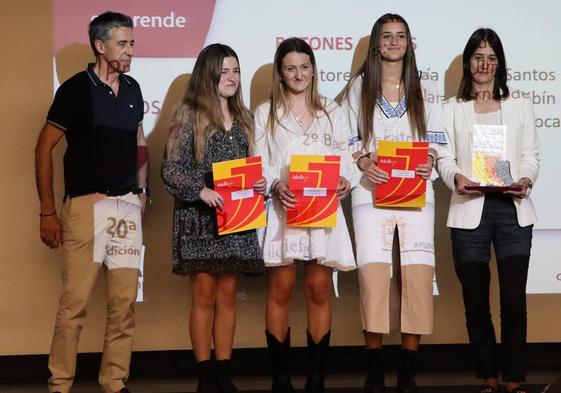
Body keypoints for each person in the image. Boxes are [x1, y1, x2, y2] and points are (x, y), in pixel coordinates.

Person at [35, 11, 149, 393]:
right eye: (123, 43)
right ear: (100, 46)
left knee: (123, 304)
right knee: (75, 304)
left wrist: (142, 191)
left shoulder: (133, 89)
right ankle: (60, 383)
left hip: (126, 209)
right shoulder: (73, 90)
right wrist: (48, 211)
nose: (130, 50)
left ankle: (114, 380)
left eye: (132, 43)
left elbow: (139, 143)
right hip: (86, 206)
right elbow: (43, 147)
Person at [341, 13, 446, 393]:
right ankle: (374, 368)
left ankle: (408, 368)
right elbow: (345, 137)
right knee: (374, 276)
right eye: (387, 36)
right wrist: (363, 161)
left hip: (416, 192)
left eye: (400, 36)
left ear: (409, 43)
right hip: (371, 191)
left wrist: (431, 159)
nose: (394, 42)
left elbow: (437, 138)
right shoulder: (358, 89)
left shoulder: (425, 87)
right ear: (376, 43)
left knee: (415, 276)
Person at [437, 28, 539, 393]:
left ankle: (512, 379)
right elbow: (443, 158)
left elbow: (530, 155)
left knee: (513, 302)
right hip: (470, 209)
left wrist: (525, 179)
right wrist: (456, 176)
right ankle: (489, 378)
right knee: (476, 303)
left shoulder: (519, 105)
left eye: (491, 57)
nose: (484, 64)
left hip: (512, 210)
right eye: (478, 57)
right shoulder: (451, 108)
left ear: (499, 63)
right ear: (469, 63)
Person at [161, 43, 266, 393]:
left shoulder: (245, 117)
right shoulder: (187, 113)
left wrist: (259, 183)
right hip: (199, 218)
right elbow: (170, 169)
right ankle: (204, 373)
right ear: (207, 74)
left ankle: (224, 370)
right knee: (203, 297)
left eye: (235, 70)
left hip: (235, 218)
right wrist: (200, 190)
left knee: (228, 296)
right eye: (223, 71)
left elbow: (247, 169)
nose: (231, 77)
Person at [254, 37, 356, 393]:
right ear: (281, 74)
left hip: (324, 210)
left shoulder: (333, 110)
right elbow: (259, 162)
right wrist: (275, 185)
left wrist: (347, 178)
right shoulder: (265, 113)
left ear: (314, 70)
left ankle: (316, 379)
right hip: (286, 211)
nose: (299, 74)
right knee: (281, 289)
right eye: (290, 68)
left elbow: (347, 155)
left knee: (318, 289)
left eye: (305, 66)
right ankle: (281, 379)